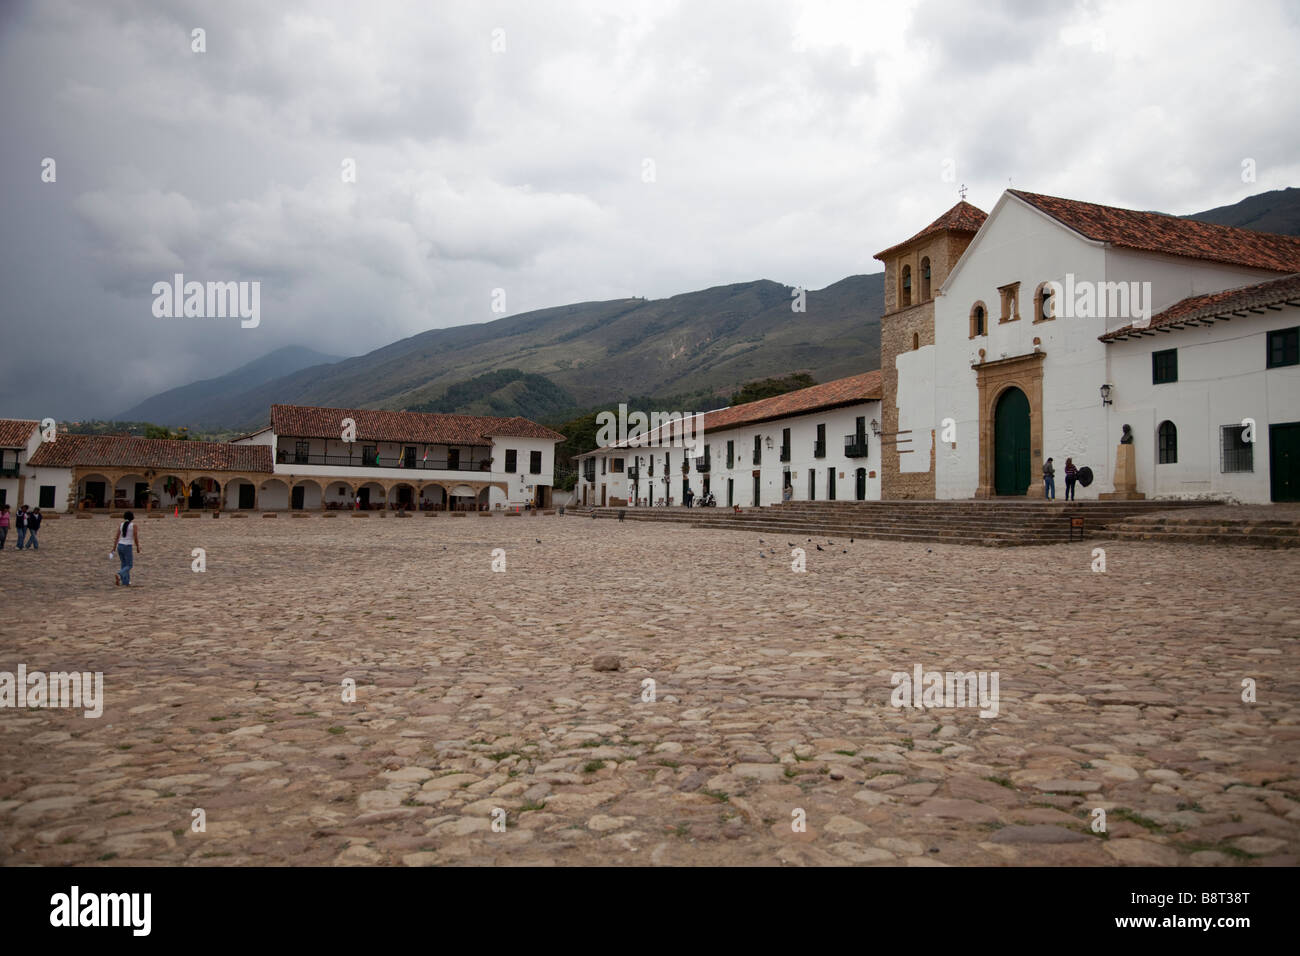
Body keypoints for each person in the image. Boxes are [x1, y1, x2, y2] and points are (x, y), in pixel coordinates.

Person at [112, 510, 141, 586]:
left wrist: (114, 547)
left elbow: (117, 536)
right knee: (129, 565)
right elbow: (135, 537)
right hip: (127, 546)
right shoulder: (133, 525)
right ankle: (119, 574)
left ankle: (126, 582)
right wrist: (137, 546)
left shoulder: (121, 524)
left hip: (120, 545)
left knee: (124, 564)